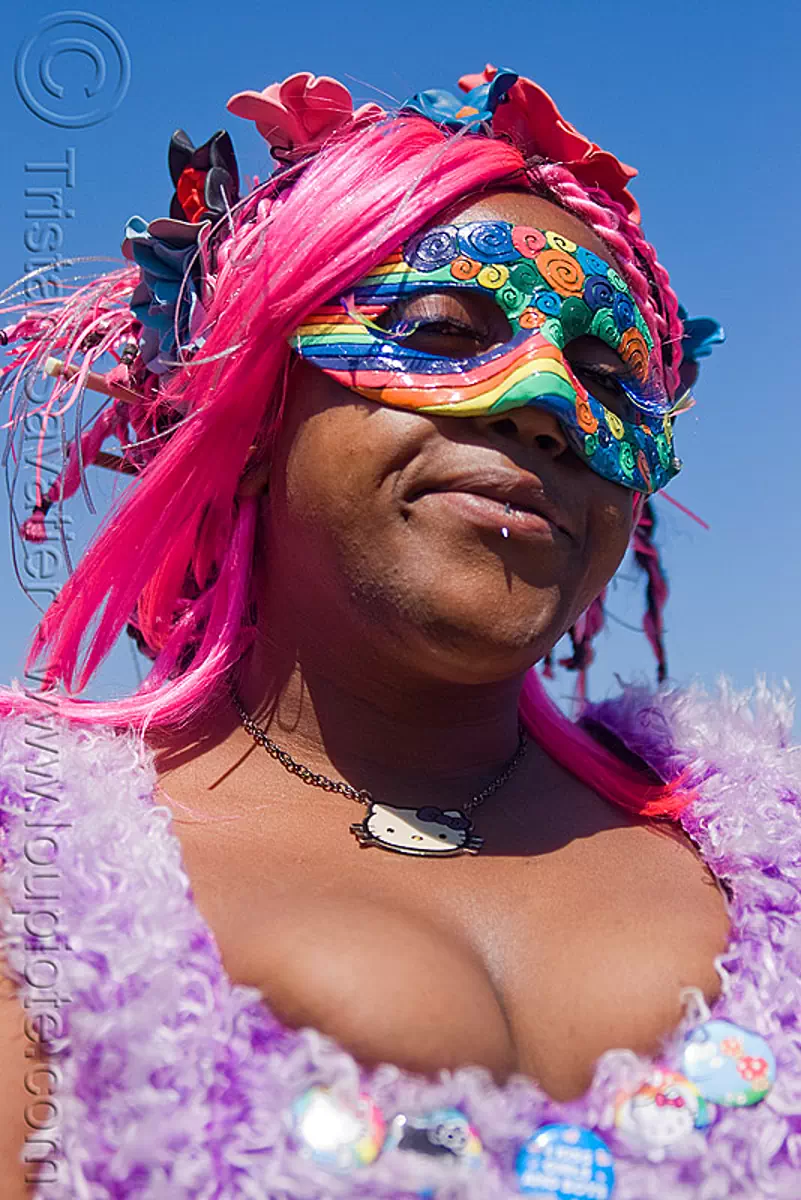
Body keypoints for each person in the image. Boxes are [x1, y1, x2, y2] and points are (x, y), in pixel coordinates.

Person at [0, 64, 793, 1200]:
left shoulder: (771, 864)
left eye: (613, 376)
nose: (550, 403)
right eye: (441, 329)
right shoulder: (31, 874)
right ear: (252, 396)